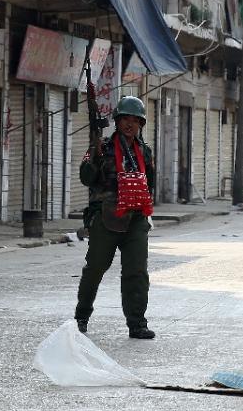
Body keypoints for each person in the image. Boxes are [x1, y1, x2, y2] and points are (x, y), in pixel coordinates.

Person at [74, 96, 157, 339]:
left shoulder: (144, 151)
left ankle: (137, 323)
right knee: (95, 269)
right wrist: (94, 155)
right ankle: (81, 316)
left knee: (137, 272)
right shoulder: (102, 148)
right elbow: (86, 178)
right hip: (107, 216)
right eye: (125, 120)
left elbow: (149, 183)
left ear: (141, 124)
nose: (130, 125)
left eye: (135, 120)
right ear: (117, 122)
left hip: (136, 218)